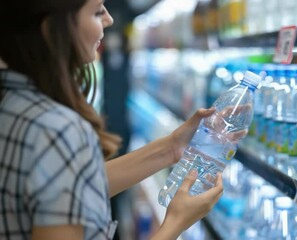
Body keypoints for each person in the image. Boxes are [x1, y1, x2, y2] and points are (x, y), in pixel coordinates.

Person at [0, 0, 223, 239]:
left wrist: (171, 148)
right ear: (51, 28)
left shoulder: (14, 103)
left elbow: (67, 183)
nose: (110, 19)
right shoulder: (57, 128)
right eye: (97, 12)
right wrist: (175, 223)